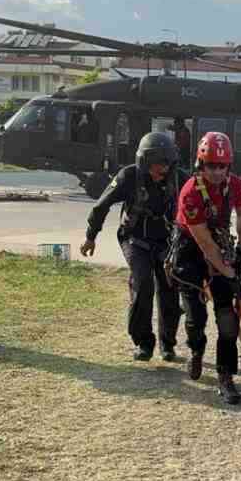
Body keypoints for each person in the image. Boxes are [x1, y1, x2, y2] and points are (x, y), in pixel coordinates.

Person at [80, 132, 187, 362]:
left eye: (167, 163)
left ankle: (168, 344)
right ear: (144, 161)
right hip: (135, 240)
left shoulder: (180, 179)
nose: (163, 169)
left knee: (170, 289)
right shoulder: (129, 176)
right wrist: (91, 236)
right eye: (157, 163)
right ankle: (143, 343)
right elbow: (101, 206)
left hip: (168, 243)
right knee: (143, 283)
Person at [168, 132, 241, 405]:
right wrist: (228, 273)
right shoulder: (191, 193)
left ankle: (225, 376)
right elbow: (203, 243)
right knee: (196, 316)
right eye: (210, 165)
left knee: (227, 319)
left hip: (220, 244)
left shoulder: (235, 185)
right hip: (191, 251)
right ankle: (196, 350)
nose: (216, 171)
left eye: (222, 166)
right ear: (200, 165)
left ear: (229, 166)